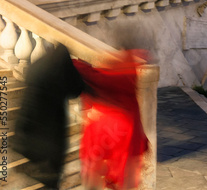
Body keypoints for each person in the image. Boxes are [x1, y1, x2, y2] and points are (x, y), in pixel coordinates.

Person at [73, 49, 149, 190]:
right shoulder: (126, 77)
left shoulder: (110, 78)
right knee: (122, 177)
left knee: (98, 176)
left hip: (111, 131)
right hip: (120, 131)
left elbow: (95, 77)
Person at [13, 44, 84, 189]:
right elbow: (76, 89)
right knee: (51, 171)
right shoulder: (60, 70)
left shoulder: (37, 66)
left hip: (29, 125)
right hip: (50, 130)